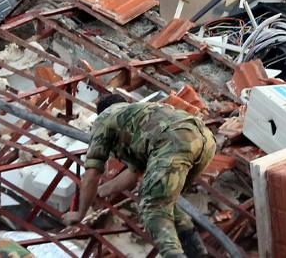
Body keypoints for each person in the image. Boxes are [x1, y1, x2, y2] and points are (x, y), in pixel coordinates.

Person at [63, 95, 215, 258]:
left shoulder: (104, 118)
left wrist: (79, 213)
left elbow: (92, 173)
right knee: (166, 202)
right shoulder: (137, 114)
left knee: (153, 207)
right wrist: (101, 191)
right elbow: (132, 174)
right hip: (205, 141)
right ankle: (198, 254)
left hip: (174, 142)